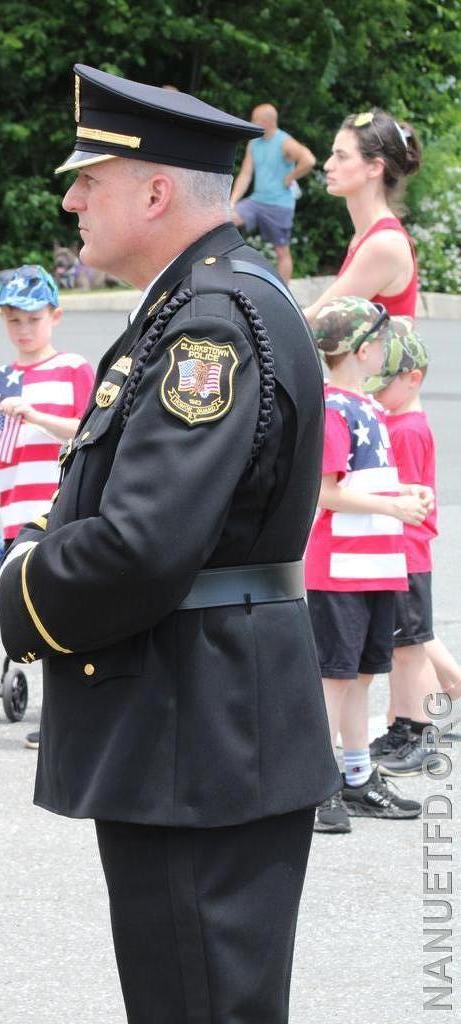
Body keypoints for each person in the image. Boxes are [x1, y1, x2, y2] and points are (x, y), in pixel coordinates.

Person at [0, 63, 340, 1023]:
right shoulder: (211, 297)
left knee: (197, 1001)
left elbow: (143, 545)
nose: (70, 200)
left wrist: (21, 586)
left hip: (197, 733)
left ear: (154, 189)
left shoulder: (207, 324)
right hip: (206, 725)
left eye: (88, 180)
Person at [305, 297, 434, 835]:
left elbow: (363, 484)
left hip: (376, 568)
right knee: (334, 681)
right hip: (340, 572)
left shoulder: (372, 410)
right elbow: (328, 494)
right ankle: (315, 788)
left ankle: (355, 778)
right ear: (362, 351)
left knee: (360, 677)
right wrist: (395, 507)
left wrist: (405, 491)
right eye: (380, 341)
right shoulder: (334, 409)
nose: (385, 349)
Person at [0, 264, 94, 749]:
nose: (23, 330)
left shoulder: (73, 369)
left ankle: (63, 712)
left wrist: (37, 415)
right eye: (12, 321)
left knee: (59, 607)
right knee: (28, 606)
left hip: (59, 505)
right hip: (15, 508)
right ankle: (55, 702)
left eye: (32, 319)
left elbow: (89, 430)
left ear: (54, 317)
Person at [364, 324, 460, 773]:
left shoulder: (405, 430)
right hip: (399, 551)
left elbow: (402, 496)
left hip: (406, 552)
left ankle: (422, 729)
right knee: (403, 646)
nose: (377, 394)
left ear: (413, 378)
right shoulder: (400, 423)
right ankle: (404, 726)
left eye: (384, 385)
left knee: (412, 647)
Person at [303, 108, 422, 321]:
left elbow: (316, 320)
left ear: (375, 168)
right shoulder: (367, 235)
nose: (328, 165)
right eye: (332, 154)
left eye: (341, 156)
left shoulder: (383, 244)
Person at [229, 103, 316, 282]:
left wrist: (291, 176)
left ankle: (285, 295)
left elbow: (309, 160)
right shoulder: (254, 143)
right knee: (226, 220)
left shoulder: (284, 142)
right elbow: (245, 174)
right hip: (257, 201)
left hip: (279, 204)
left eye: (255, 120)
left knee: (281, 251)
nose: (251, 122)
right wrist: (232, 202)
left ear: (267, 122)